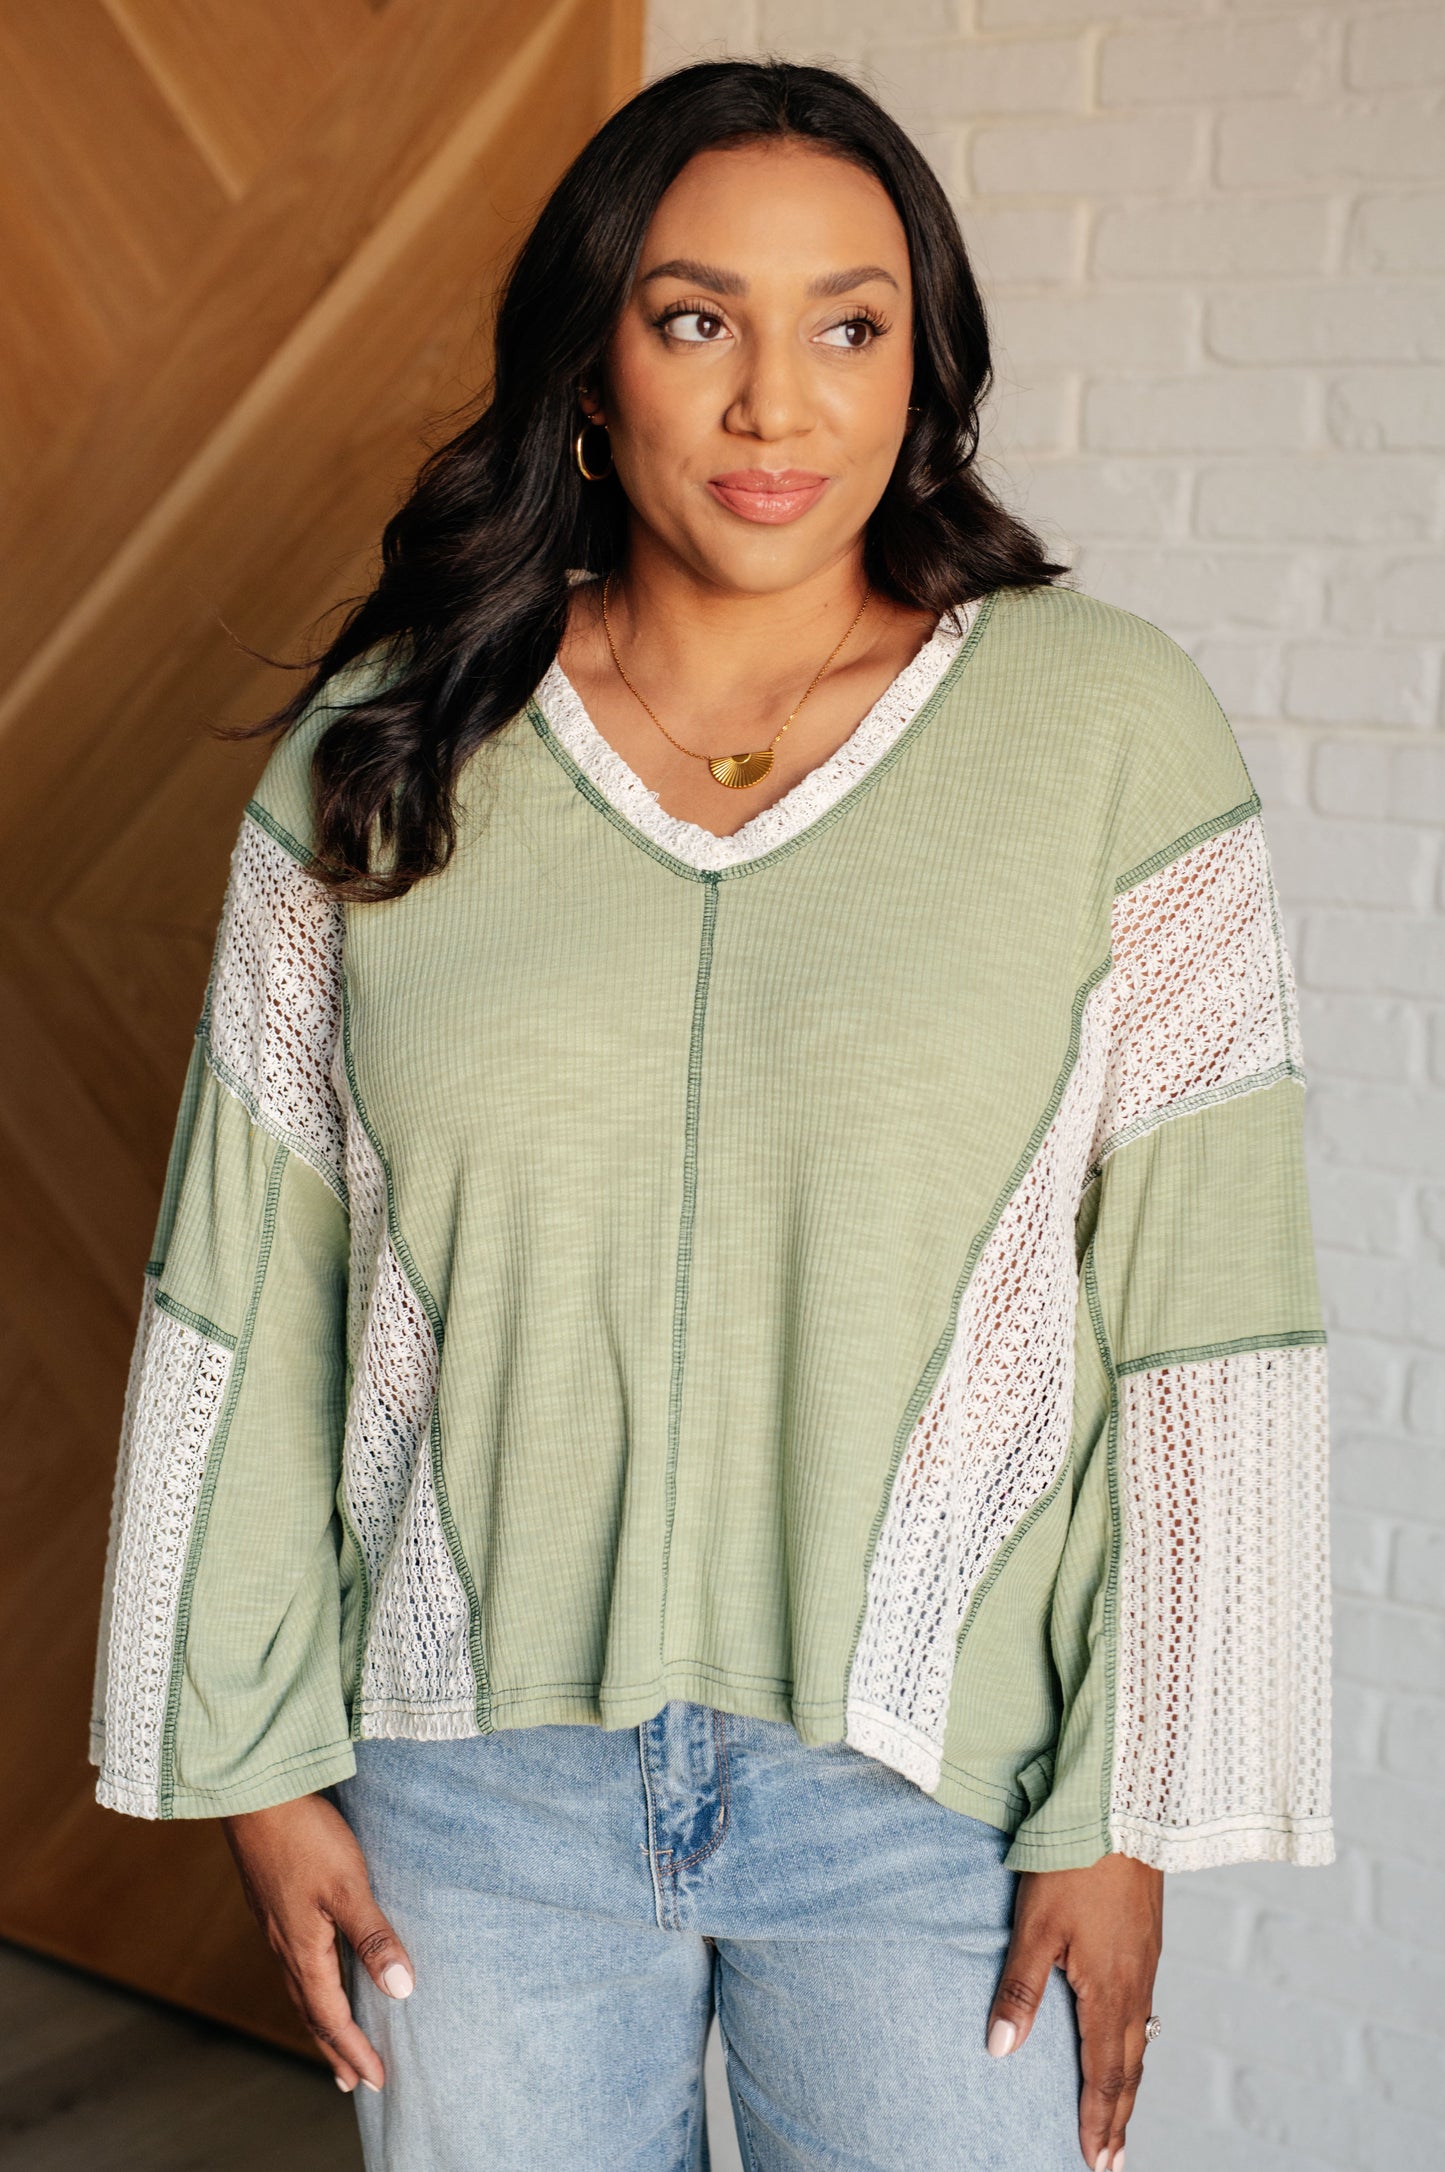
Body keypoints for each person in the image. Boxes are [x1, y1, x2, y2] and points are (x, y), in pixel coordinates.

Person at [89, 58, 1332, 2172]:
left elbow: (1200, 1302)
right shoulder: (388, 753)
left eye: (848, 324)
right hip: (470, 1799)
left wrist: (1128, 1802)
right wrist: (253, 1763)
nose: (775, 403)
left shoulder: (1109, 730)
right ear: (591, 371)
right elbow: (250, 1285)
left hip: (931, 1804)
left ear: (921, 369)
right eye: (696, 322)